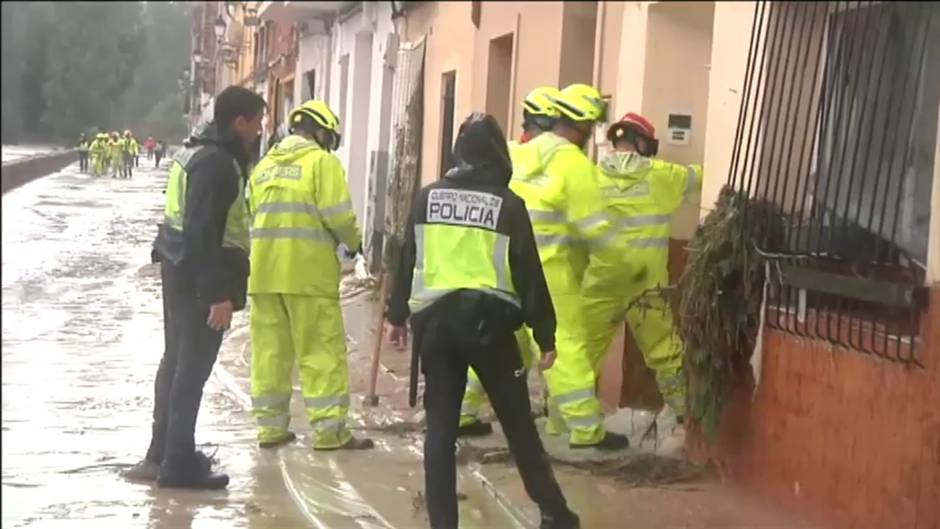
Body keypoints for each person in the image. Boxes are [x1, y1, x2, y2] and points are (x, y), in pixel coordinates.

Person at [386, 113, 580, 529]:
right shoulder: (508, 205)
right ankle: (555, 513)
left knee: (439, 433)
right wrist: (545, 334)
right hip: (490, 328)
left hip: (436, 327)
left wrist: (396, 315)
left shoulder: (427, 197)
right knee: (518, 427)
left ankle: (443, 524)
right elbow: (528, 272)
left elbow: (408, 259)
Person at [120, 86, 265, 489]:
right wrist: (217, 293)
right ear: (239, 122)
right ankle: (179, 463)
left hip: (176, 267)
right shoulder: (219, 164)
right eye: (257, 122)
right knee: (192, 370)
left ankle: (161, 454)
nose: (260, 131)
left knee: (175, 363)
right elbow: (204, 231)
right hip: (199, 277)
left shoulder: (195, 152)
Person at [505, 83, 628, 450]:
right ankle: (586, 429)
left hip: (506, 265)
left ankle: (463, 410)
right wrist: (621, 267)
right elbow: (598, 231)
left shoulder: (517, 154)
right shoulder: (573, 164)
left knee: (505, 344)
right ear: (586, 126)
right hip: (549, 269)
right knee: (565, 344)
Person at [247, 100, 373, 451]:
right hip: (308, 275)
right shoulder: (322, 163)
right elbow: (339, 217)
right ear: (320, 132)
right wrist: (355, 244)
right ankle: (329, 431)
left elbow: (249, 214)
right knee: (321, 352)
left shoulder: (264, 167)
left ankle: (271, 429)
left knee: (270, 354)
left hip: (263, 276)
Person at [580, 112, 703, 447]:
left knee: (582, 353)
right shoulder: (663, 174)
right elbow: (702, 179)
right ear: (644, 143)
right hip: (645, 286)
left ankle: (569, 423)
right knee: (665, 352)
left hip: (600, 280)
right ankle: (687, 420)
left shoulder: (590, 176)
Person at [458, 85, 562, 436]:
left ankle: (461, 411)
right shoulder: (563, 162)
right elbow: (529, 271)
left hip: (474, 278)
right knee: (510, 351)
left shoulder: (507, 160)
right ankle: (516, 426)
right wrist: (545, 333)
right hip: (523, 276)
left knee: (492, 350)